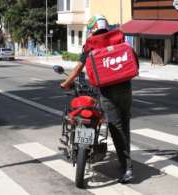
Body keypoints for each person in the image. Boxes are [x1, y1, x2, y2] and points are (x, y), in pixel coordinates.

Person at [60, 15, 136, 184]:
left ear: (93, 27)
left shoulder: (91, 43)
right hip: (125, 88)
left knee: (115, 129)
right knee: (125, 125)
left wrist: (66, 82)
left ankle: (127, 168)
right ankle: (126, 163)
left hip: (107, 91)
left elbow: (80, 67)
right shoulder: (119, 37)